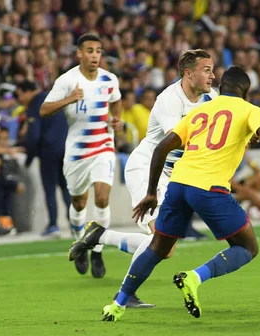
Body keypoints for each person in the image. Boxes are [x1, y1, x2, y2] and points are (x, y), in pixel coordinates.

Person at [69, 66, 260, 322]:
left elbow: (162, 147)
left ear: (222, 87)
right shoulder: (249, 110)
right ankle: (194, 277)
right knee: (247, 247)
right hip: (209, 188)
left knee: (159, 246)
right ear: (246, 93)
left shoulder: (200, 110)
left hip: (178, 184)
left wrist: (151, 193)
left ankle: (117, 305)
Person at [70, 49, 218, 307]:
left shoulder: (212, 98)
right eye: (206, 70)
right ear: (188, 73)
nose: (212, 75)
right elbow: (180, 140)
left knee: (166, 247)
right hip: (148, 169)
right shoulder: (169, 100)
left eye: (212, 69)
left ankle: (99, 235)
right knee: (162, 241)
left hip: (175, 175)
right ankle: (123, 295)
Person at [40, 34, 123, 277]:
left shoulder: (110, 79)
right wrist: (69, 99)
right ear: (79, 54)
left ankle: (96, 249)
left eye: (98, 51)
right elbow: (44, 109)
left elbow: (116, 101)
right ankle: (81, 243)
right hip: (77, 152)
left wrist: (115, 120)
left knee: (102, 198)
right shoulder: (68, 80)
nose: (95, 55)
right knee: (78, 203)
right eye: (90, 51)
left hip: (103, 146)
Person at [15, 80, 70, 237]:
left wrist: (29, 157)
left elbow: (34, 135)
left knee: (50, 187)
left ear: (26, 92)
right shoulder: (51, 98)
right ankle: (74, 223)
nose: (19, 100)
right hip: (64, 148)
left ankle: (53, 224)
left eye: (19, 95)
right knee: (65, 186)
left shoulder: (35, 105)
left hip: (49, 151)